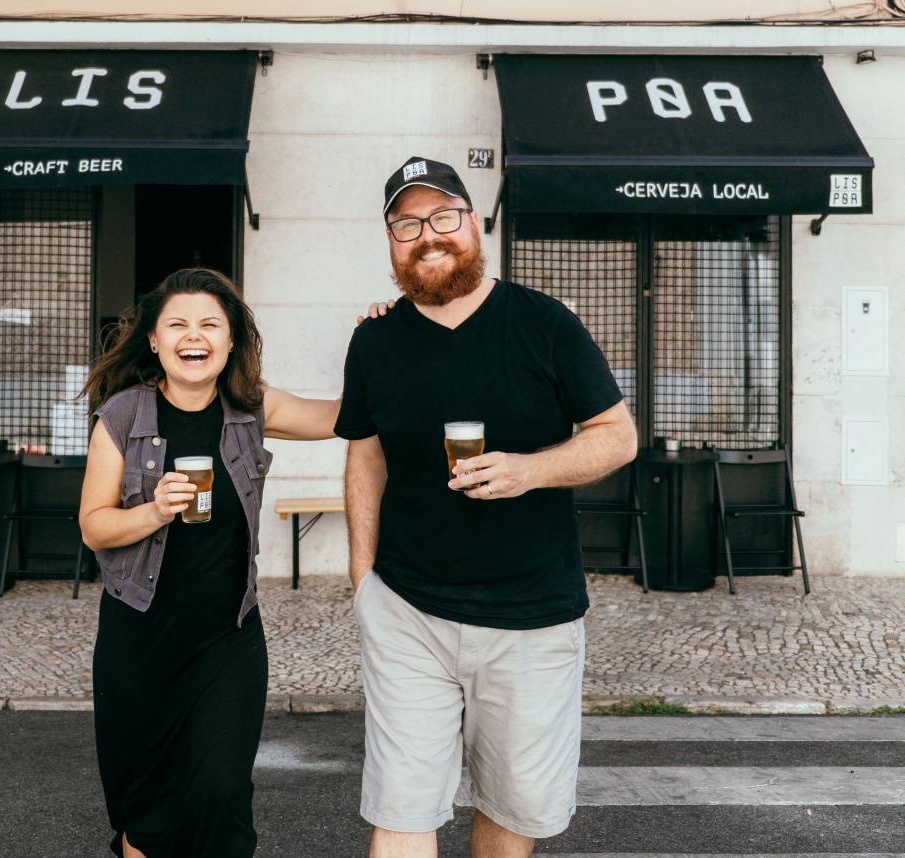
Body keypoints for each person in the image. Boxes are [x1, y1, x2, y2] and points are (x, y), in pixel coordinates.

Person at [336, 157, 638, 858]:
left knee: (513, 810)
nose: (428, 235)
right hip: (409, 609)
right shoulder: (375, 339)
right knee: (402, 807)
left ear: (476, 224)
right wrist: (363, 580)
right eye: (407, 223)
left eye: (444, 216)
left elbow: (617, 438)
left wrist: (530, 470)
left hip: (533, 615)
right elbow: (366, 454)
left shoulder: (545, 324)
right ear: (390, 241)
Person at [79, 267, 339, 858]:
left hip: (227, 637)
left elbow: (340, 417)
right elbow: (94, 526)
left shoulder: (252, 408)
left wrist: (388, 332)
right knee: (145, 812)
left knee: (221, 796)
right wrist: (151, 511)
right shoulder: (122, 416)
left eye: (208, 324)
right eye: (177, 324)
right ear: (153, 340)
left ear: (228, 342)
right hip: (139, 638)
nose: (192, 336)